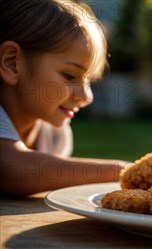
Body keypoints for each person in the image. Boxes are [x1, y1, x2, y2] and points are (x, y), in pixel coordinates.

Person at [0, 0, 128, 196]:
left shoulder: (55, 135)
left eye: (88, 81)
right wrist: (126, 171)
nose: (86, 97)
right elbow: (10, 169)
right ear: (12, 63)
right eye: (70, 76)